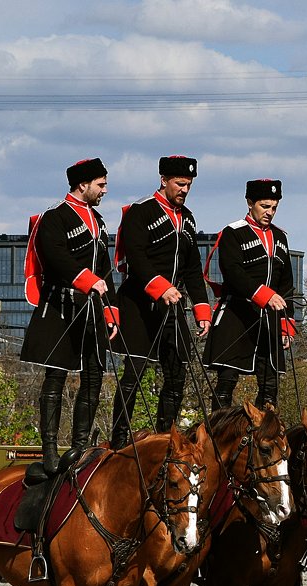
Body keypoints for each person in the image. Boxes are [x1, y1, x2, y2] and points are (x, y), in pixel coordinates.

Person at [20, 158, 120, 473]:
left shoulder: (100, 221)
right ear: (83, 184)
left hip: (92, 310)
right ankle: (49, 451)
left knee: (93, 377)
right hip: (60, 306)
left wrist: (111, 310)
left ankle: (80, 448)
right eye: (101, 184)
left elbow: (106, 269)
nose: (105, 190)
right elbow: (56, 257)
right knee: (56, 378)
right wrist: (88, 281)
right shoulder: (54, 218)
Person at [109, 155, 212, 447]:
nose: (185, 189)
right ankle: (118, 438)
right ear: (164, 180)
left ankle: (164, 436)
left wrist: (203, 309)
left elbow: (192, 267)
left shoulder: (188, 218)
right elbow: (136, 256)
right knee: (135, 374)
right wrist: (160, 287)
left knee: (177, 373)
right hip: (140, 302)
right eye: (180, 183)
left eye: (189, 184)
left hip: (174, 304)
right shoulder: (140, 211)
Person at [203, 178, 296, 410]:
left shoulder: (281, 237)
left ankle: (263, 438)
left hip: (270, 320)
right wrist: (263, 294)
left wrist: (287, 324)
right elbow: (233, 272)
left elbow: (286, 284)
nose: (270, 212)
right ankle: (219, 433)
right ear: (249, 203)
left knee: (270, 387)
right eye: (265, 206)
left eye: (274, 207)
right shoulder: (233, 233)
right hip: (237, 314)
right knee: (226, 382)